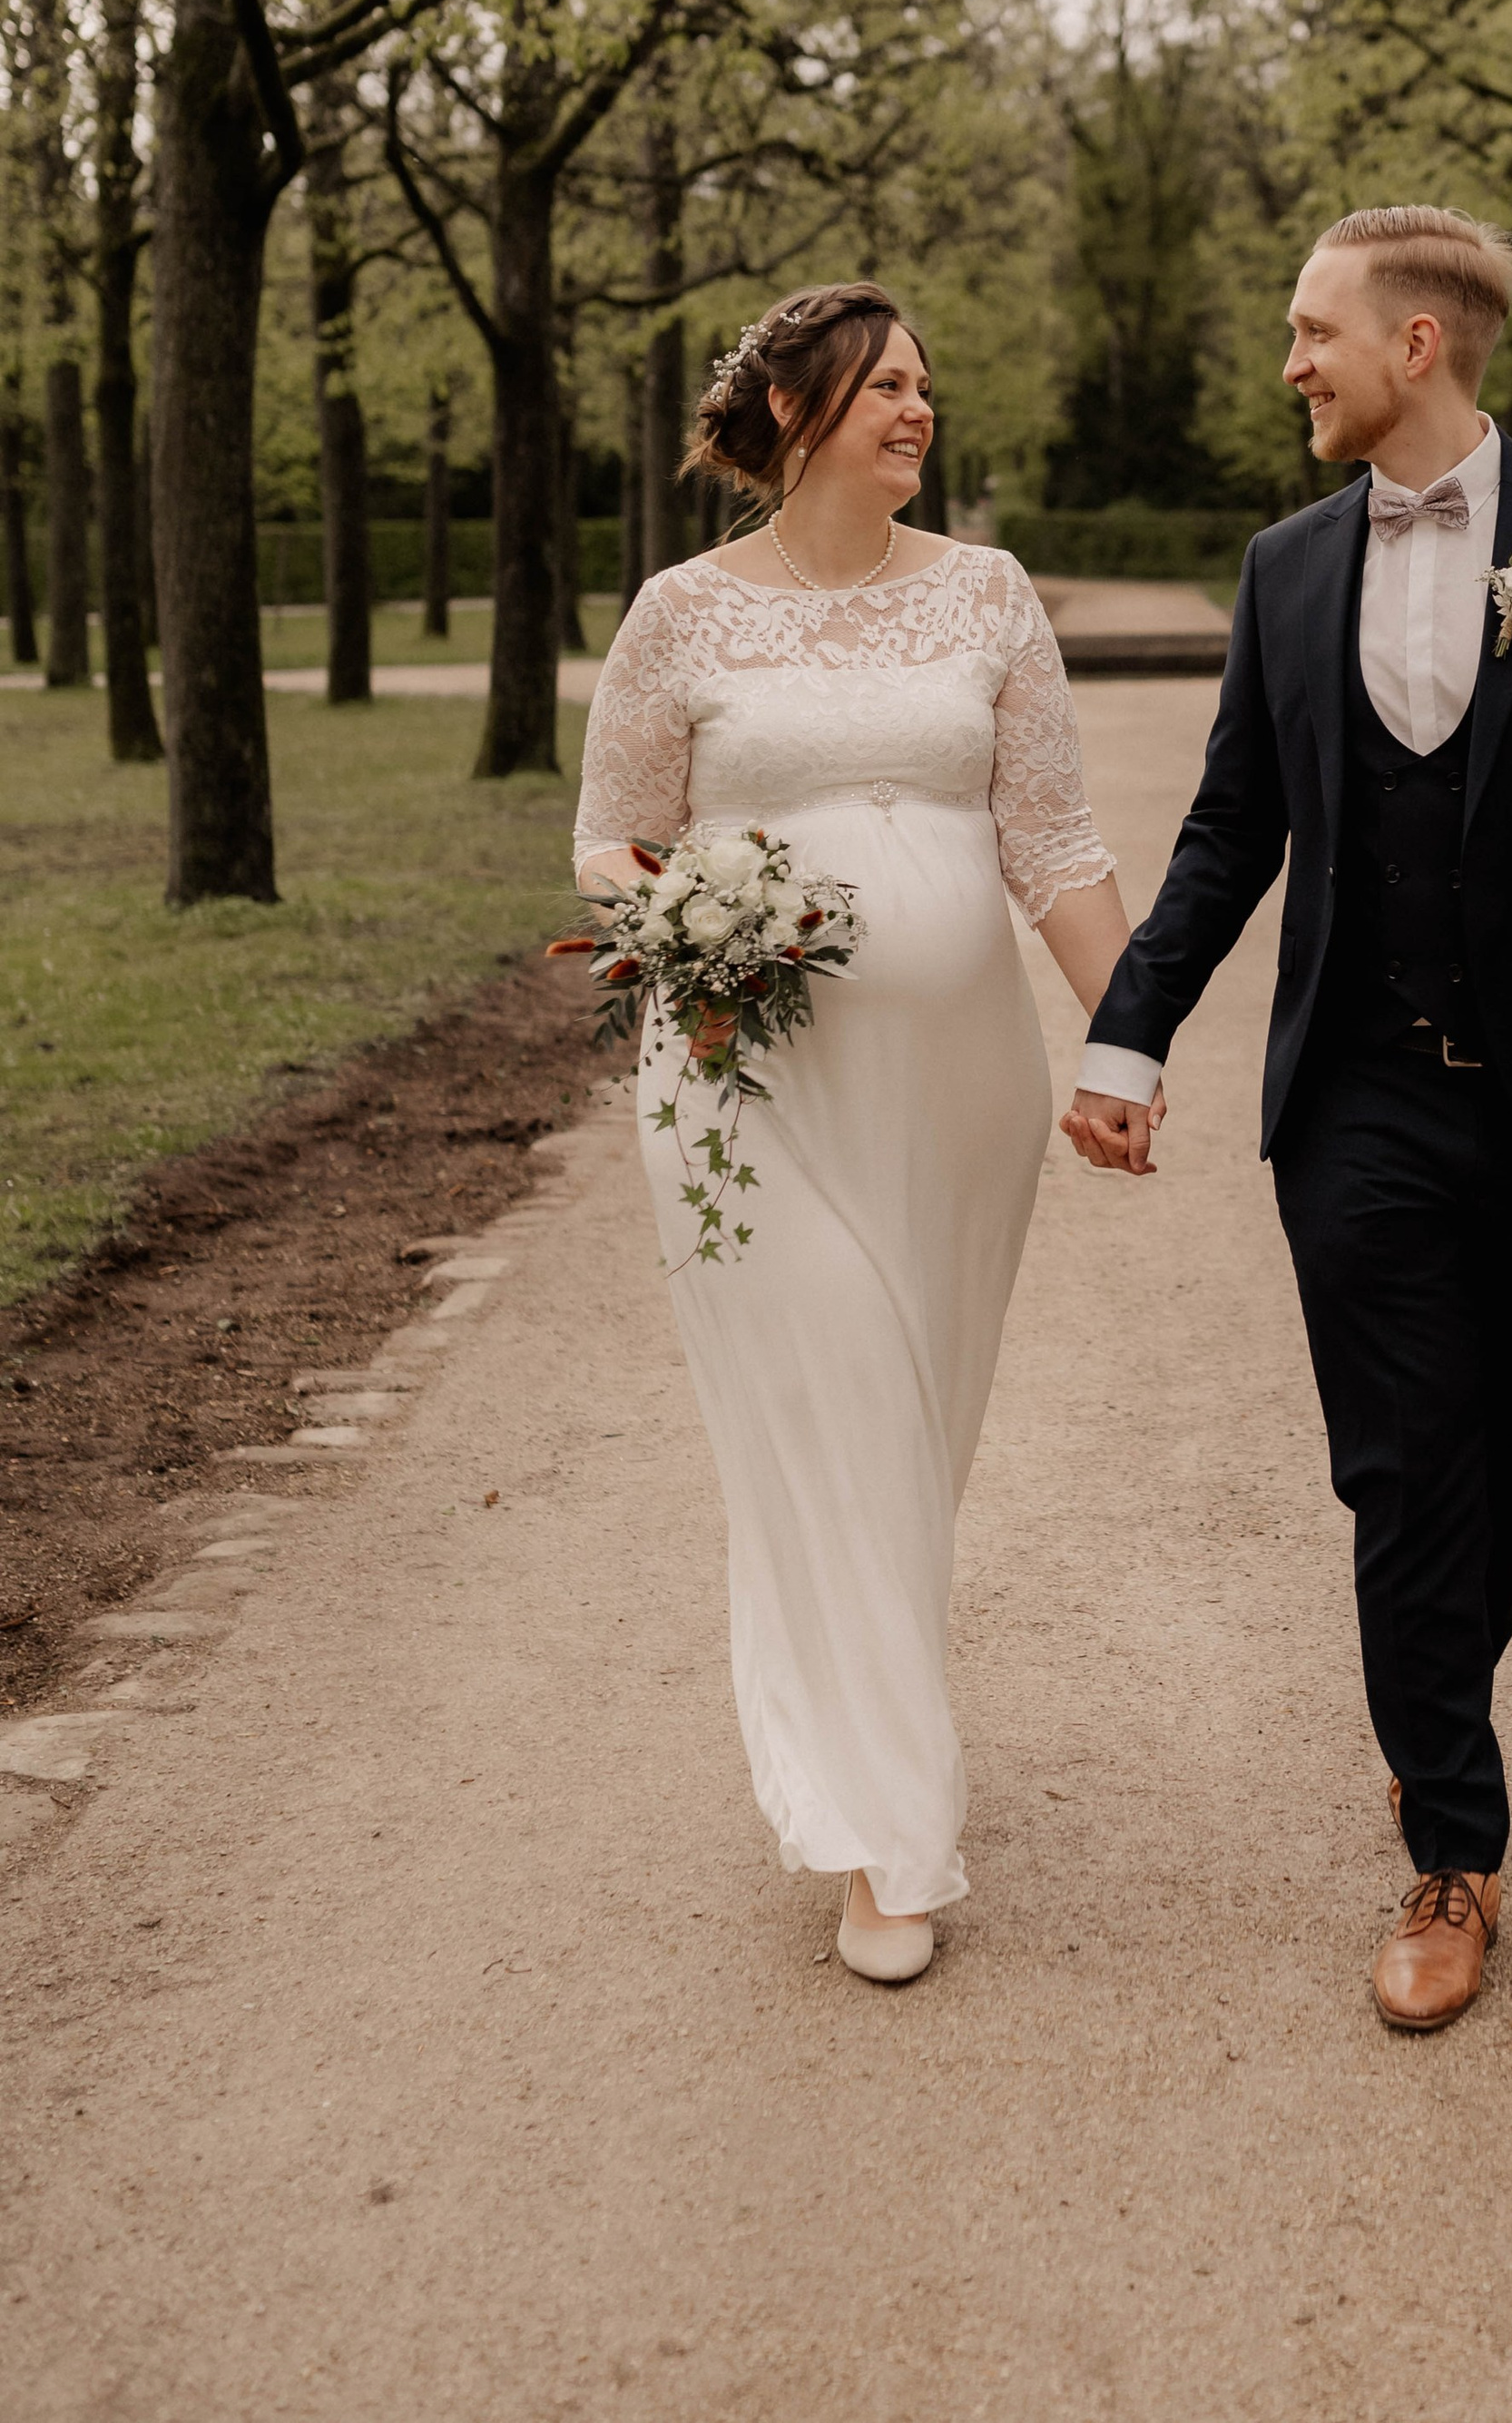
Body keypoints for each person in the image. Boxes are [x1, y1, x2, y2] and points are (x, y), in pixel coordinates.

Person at [1064, 205, 1512, 2031]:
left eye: (1310, 332)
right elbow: (1224, 838)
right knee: (1401, 1463)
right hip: (1352, 1103)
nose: (1290, 364)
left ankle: (1423, 1692)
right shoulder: (1281, 569)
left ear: (1413, 345)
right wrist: (1130, 1036)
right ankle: (1450, 1840)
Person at [574, 284, 1143, 1984]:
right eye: (889, 386)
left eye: (924, 387)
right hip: (744, 1091)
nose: (919, 408)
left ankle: (856, 1735)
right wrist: (703, 922)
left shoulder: (988, 594)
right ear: (803, 410)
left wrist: (1132, 1033)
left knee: (914, 1432)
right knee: (828, 1426)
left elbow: (1049, 840)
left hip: (963, 1096)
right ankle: (885, 1840)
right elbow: (611, 845)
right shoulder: (679, 616)